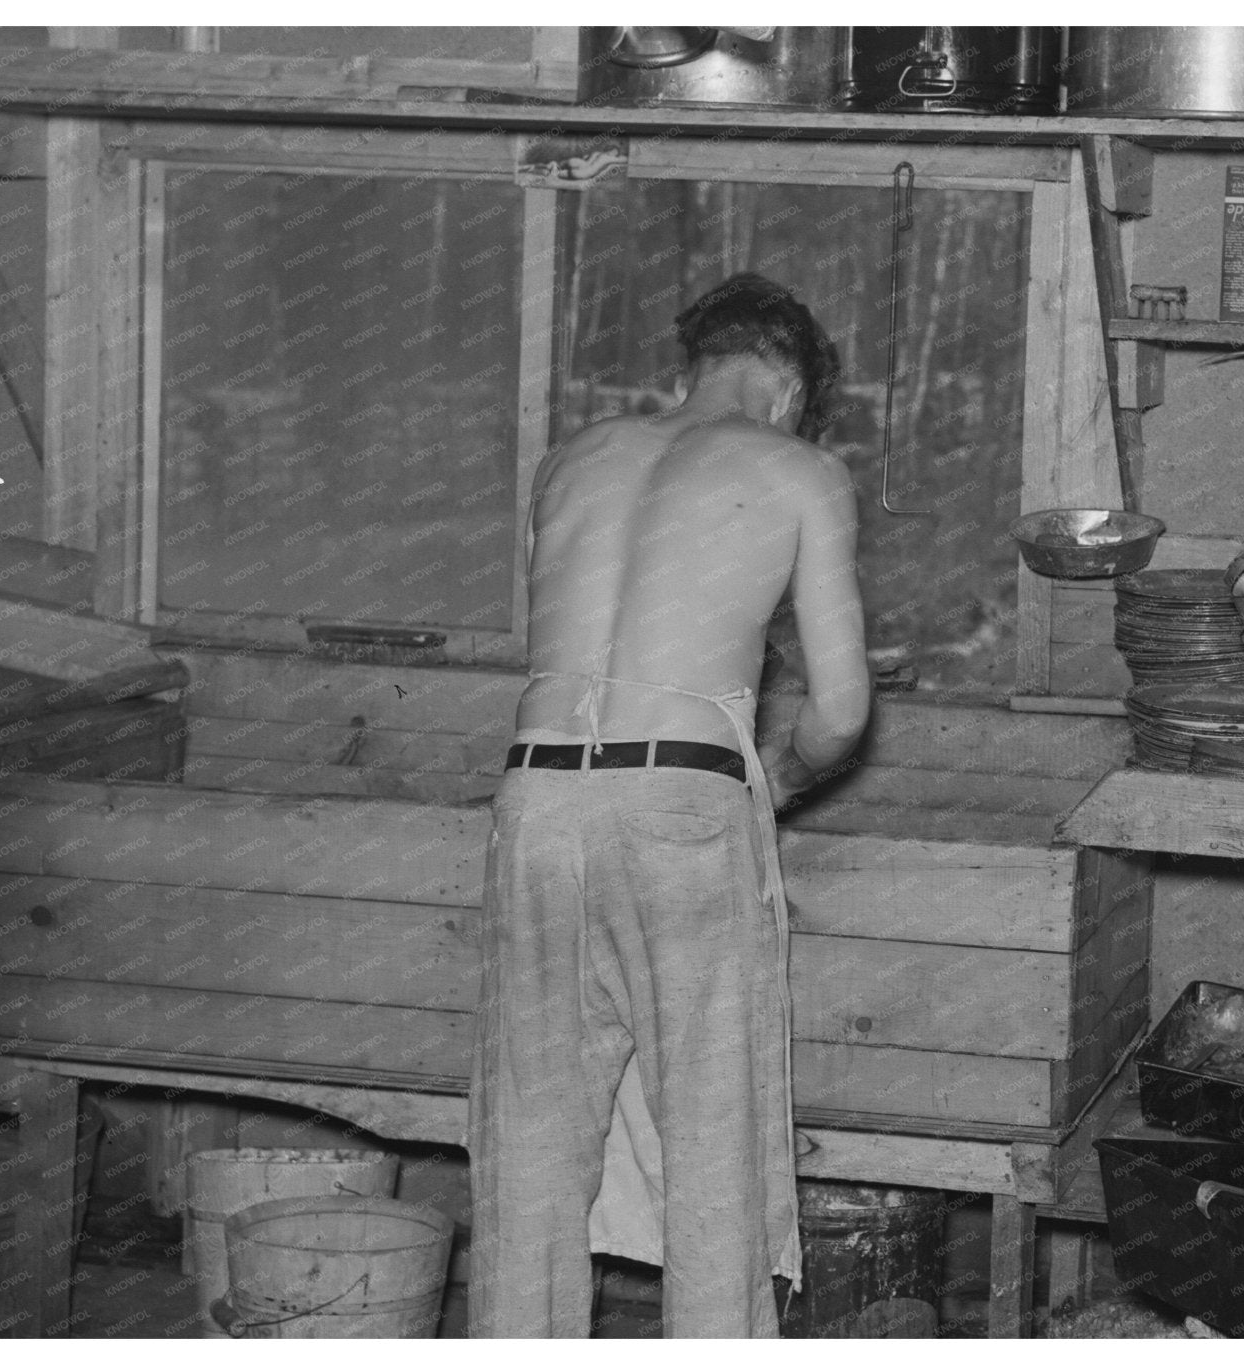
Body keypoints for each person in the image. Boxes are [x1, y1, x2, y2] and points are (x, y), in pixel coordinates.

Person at [468, 273, 871, 1338]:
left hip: (537, 797)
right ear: (787, 389)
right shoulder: (798, 470)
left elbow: (564, 644)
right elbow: (839, 709)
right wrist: (777, 780)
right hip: (680, 805)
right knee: (710, 1139)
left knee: (531, 1144)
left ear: (686, 370)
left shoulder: (574, 461)